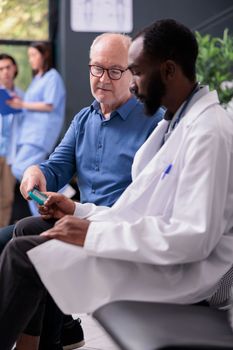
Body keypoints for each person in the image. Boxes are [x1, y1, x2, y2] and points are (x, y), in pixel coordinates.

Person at [1, 18, 233, 350]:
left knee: (26, 254)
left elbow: (192, 238)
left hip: (180, 275)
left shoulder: (208, 132)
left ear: (167, 71)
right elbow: (140, 209)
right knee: (28, 238)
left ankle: (59, 334)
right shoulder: (176, 124)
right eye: (99, 69)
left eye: (134, 72)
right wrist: (79, 209)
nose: (134, 86)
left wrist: (90, 231)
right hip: (153, 252)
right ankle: (52, 338)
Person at [0, 32, 163, 349]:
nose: (103, 78)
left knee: (29, 238)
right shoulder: (85, 118)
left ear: (132, 74)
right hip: (76, 223)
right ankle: (59, 330)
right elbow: (56, 166)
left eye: (114, 70)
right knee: (12, 239)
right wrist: (37, 171)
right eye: (96, 69)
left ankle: (50, 337)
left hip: (117, 234)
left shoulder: (154, 124)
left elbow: (151, 208)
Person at [7, 41, 66, 215]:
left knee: (20, 169)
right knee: (32, 181)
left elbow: (49, 105)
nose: (30, 60)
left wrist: (22, 103)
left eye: (34, 55)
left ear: (44, 55)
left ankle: (61, 193)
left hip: (40, 134)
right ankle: (43, 215)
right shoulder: (37, 79)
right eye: (29, 56)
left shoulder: (52, 77)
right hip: (29, 133)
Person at [0, 54, 24, 227]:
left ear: (15, 68)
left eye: (8, 67)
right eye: (1, 69)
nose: (5, 72)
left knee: (6, 198)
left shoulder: (24, 97)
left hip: (11, 154)